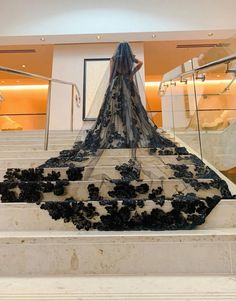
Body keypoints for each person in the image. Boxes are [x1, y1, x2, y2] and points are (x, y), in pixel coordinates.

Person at [81, 42, 174, 153]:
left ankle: (118, 133)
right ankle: (129, 133)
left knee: (114, 109)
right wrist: (132, 74)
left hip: (117, 84)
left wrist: (110, 87)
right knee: (131, 107)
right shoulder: (130, 58)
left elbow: (111, 75)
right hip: (128, 84)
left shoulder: (114, 59)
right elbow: (141, 63)